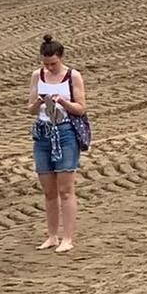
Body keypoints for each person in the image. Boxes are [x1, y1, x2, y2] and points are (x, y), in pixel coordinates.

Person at [27, 33, 87, 253]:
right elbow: (30, 109)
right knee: (49, 190)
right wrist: (39, 102)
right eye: (46, 63)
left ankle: (68, 237)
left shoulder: (73, 76)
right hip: (43, 132)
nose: (50, 67)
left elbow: (81, 108)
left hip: (65, 133)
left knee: (65, 189)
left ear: (61, 58)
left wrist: (63, 101)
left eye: (53, 63)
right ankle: (52, 235)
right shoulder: (37, 75)